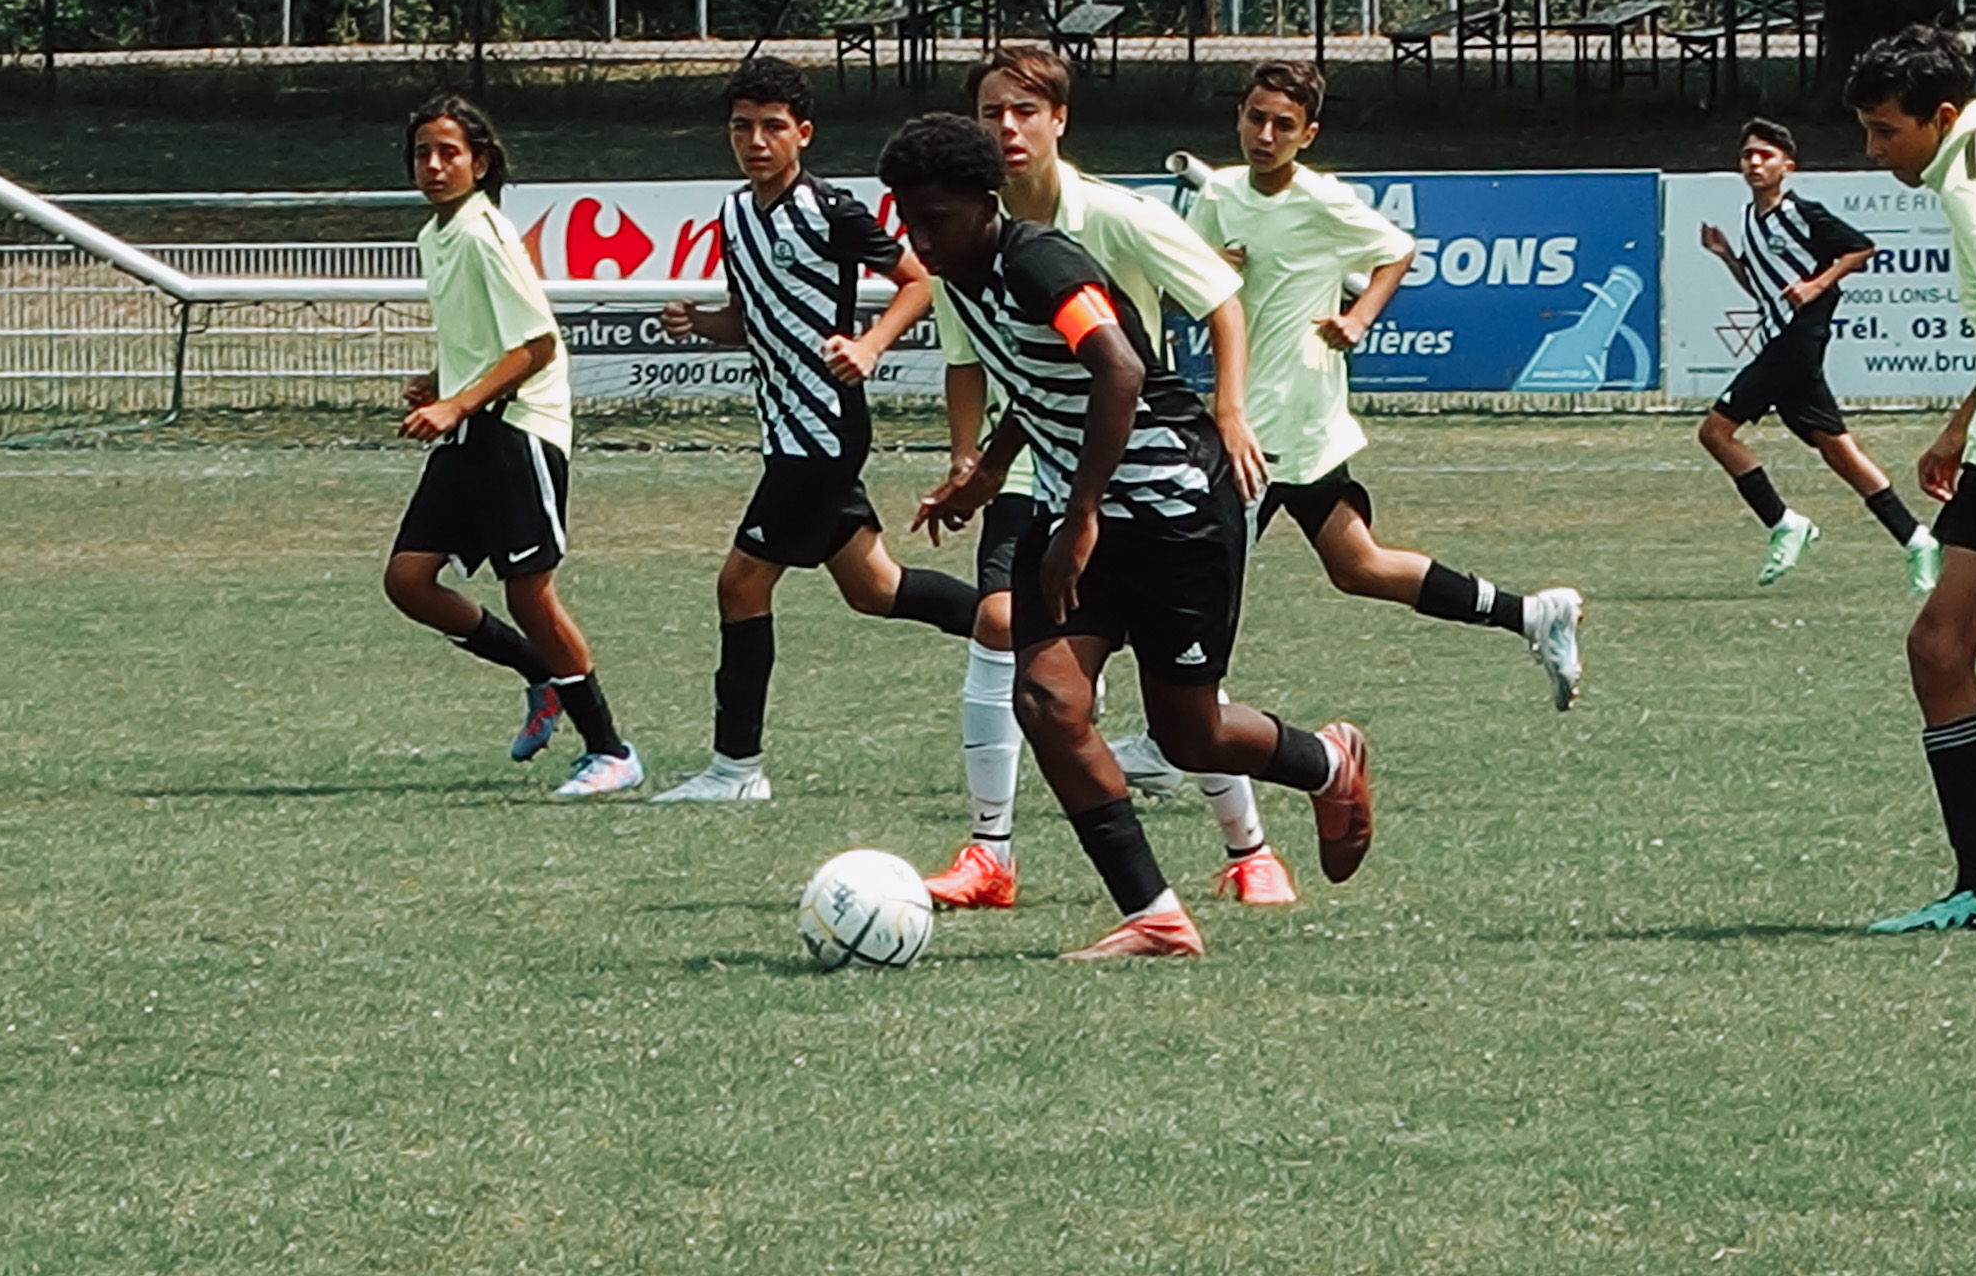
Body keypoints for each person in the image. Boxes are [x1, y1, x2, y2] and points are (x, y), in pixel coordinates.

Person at [887, 112, 1374, 960]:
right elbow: (1033, 379)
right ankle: (1153, 914)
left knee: (1189, 735)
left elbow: (1119, 366)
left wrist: (1079, 516)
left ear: (985, 201)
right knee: (1045, 701)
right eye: (909, 220)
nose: (921, 239)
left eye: (936, 219)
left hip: (1174, 511)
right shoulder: (962, 272)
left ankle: (1327, 762)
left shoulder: (1041, 262)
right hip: (1081, 509)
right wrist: (992, 470)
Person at [921, 46, 1302, 915]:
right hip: (1046, 462)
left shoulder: (1111, 219)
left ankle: (1250, 842)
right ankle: (992, 852)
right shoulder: (954, 229)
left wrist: (1231, 411)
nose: (1007, 127)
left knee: (1185, 710)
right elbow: (998, 367)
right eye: (991, 113)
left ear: (1060, 120)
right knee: (1011, 644)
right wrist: (976, 468)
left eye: (1025, 111)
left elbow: (1208, 307)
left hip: (1146, 466)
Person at [1124, 60, 1583, 735]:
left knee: (1199, 571)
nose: (1266, 134)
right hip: (1263, 411)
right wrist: (1214, 271)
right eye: (1256, 118)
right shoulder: (1216, 194)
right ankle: (1531, 614)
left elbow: (1396, 250)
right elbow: (1193, 288)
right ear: (1239, 118)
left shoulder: (1324, 201)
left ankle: (1178, 736)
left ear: (1308, 134)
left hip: (1279, 418)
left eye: (1284, 124)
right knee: (1357, 564)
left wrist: (1360, 316)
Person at [656, 57, 978, 803]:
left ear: (803, 133)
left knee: (739, 585)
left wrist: (869, 345)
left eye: (773, 127)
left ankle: (737, 770)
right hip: (787, 430)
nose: (756, 141)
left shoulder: (831, 209)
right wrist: (701, 324)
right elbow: (755, 318)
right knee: (876, 589)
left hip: (822, 435)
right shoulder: (734, 216)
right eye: (743, 127)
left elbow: (919, 282)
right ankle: (1018, 634)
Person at [383, 94, 640, 799]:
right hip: (473, 422)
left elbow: (535, 346)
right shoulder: (437, 234)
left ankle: (611, 750)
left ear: (480, 161)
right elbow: (486, 335)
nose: (433, 166)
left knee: (529, 591)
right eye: (422, 154)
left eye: (449, 152)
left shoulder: (483, 233)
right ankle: (540, 671)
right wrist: (441, 380)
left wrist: (456, 401)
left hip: (520, 426)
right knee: (408, 579)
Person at [1844, 26, 1976, 933]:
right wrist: (1961, 428)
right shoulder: (1962, 166)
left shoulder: (1970, 193)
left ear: (1939, 117)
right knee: (1939, 649)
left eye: (1885, 131)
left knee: (1938, 647)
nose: (1872, 149)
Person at [1696, 117, 1939, 592]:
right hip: (1780, 339)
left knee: (1716, 431)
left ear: (1788, 165)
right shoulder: (1750, 219)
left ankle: (1785, 522)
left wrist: (1817, 285)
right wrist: (1727, 257)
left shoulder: (1800, 212)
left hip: (1798, 343)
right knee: (1838, 450)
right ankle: (1916, 539)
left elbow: (1861, 248)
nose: (1754, 162)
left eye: (1765, 155)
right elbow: (1763, 289)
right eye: (1748, 155)